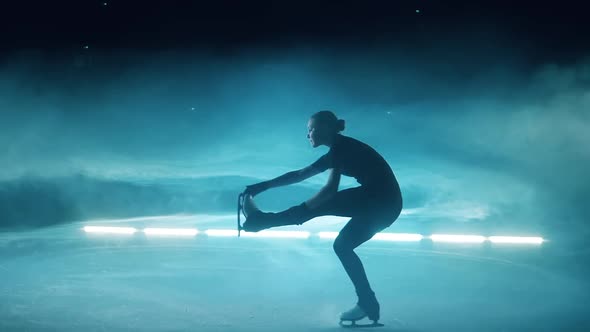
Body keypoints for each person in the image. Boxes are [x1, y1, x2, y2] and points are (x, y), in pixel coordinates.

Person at [242, 110, 403, 323]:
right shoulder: (339, 149)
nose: (307, 134)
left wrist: (299, 212)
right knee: (342, 246)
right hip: (384, 204)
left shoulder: (341, 149)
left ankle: (262, 220)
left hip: (380, 202)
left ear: (326, 128)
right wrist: (263, 186)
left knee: (321, 205)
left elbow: (329, 191)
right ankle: (368, 304)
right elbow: (300, 175)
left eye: (311, 129)